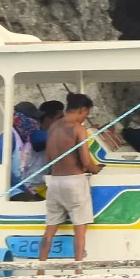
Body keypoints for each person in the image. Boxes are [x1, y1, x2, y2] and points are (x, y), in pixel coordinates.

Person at [37, 92, 101, 263]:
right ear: (82, 110)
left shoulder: (53, 127)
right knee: (79, 230)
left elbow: (50, 159)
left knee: (49, 230)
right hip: (74, 182)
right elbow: (86, 162)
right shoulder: (78, 129)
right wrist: (96, 170)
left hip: (55, 182)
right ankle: (78, 268)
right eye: (86, 114)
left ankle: (41, 268)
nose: (85, 118)